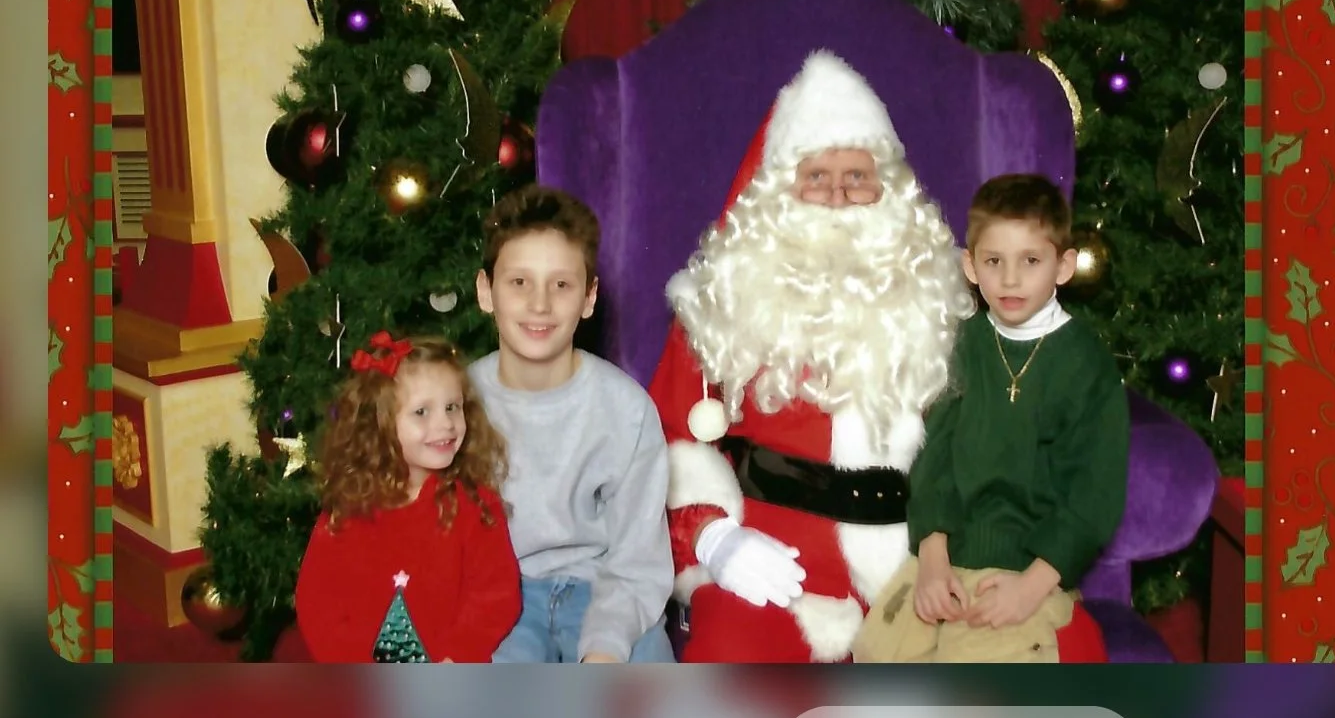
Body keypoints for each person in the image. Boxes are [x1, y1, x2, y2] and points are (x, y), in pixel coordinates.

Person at [650, 49, 976, 663]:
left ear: (890, 192)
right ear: (778, 194)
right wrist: (716, 539)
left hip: (920, 567)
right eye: (816, 177)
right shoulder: (720, 303)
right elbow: (664, 441)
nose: (836, 197)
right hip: (779, 567)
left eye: (856, 177)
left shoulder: (938, 304)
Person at [854, 174, 1127, 663]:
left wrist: (1033, 586)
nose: (1011, 279)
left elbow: (1094, 494)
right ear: (971, 267)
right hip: (947, 557)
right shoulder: (964, 345)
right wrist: (933, 558)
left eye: (1031, 261)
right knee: (878, 649)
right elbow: (934, 458)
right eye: (994, 261)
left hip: (1027, 567)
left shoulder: (1084, 364)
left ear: (1063, 266)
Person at [470, 184, 676, 664]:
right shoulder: (455, 406)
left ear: (588, 297)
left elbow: (637, 563)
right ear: (486, 291)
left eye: (561, 285)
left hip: (605, 589)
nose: (539, 304)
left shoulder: (627, 409)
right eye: (519, 282)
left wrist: (605, 646)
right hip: (495, 597)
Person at [296, 332, 522, 663]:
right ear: (381, 422)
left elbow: (496, 595)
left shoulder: (475, 503)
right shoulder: (349, 508)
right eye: (421, 412)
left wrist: (458, 655)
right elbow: (318, 602)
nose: (445, 424)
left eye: (452, 407)